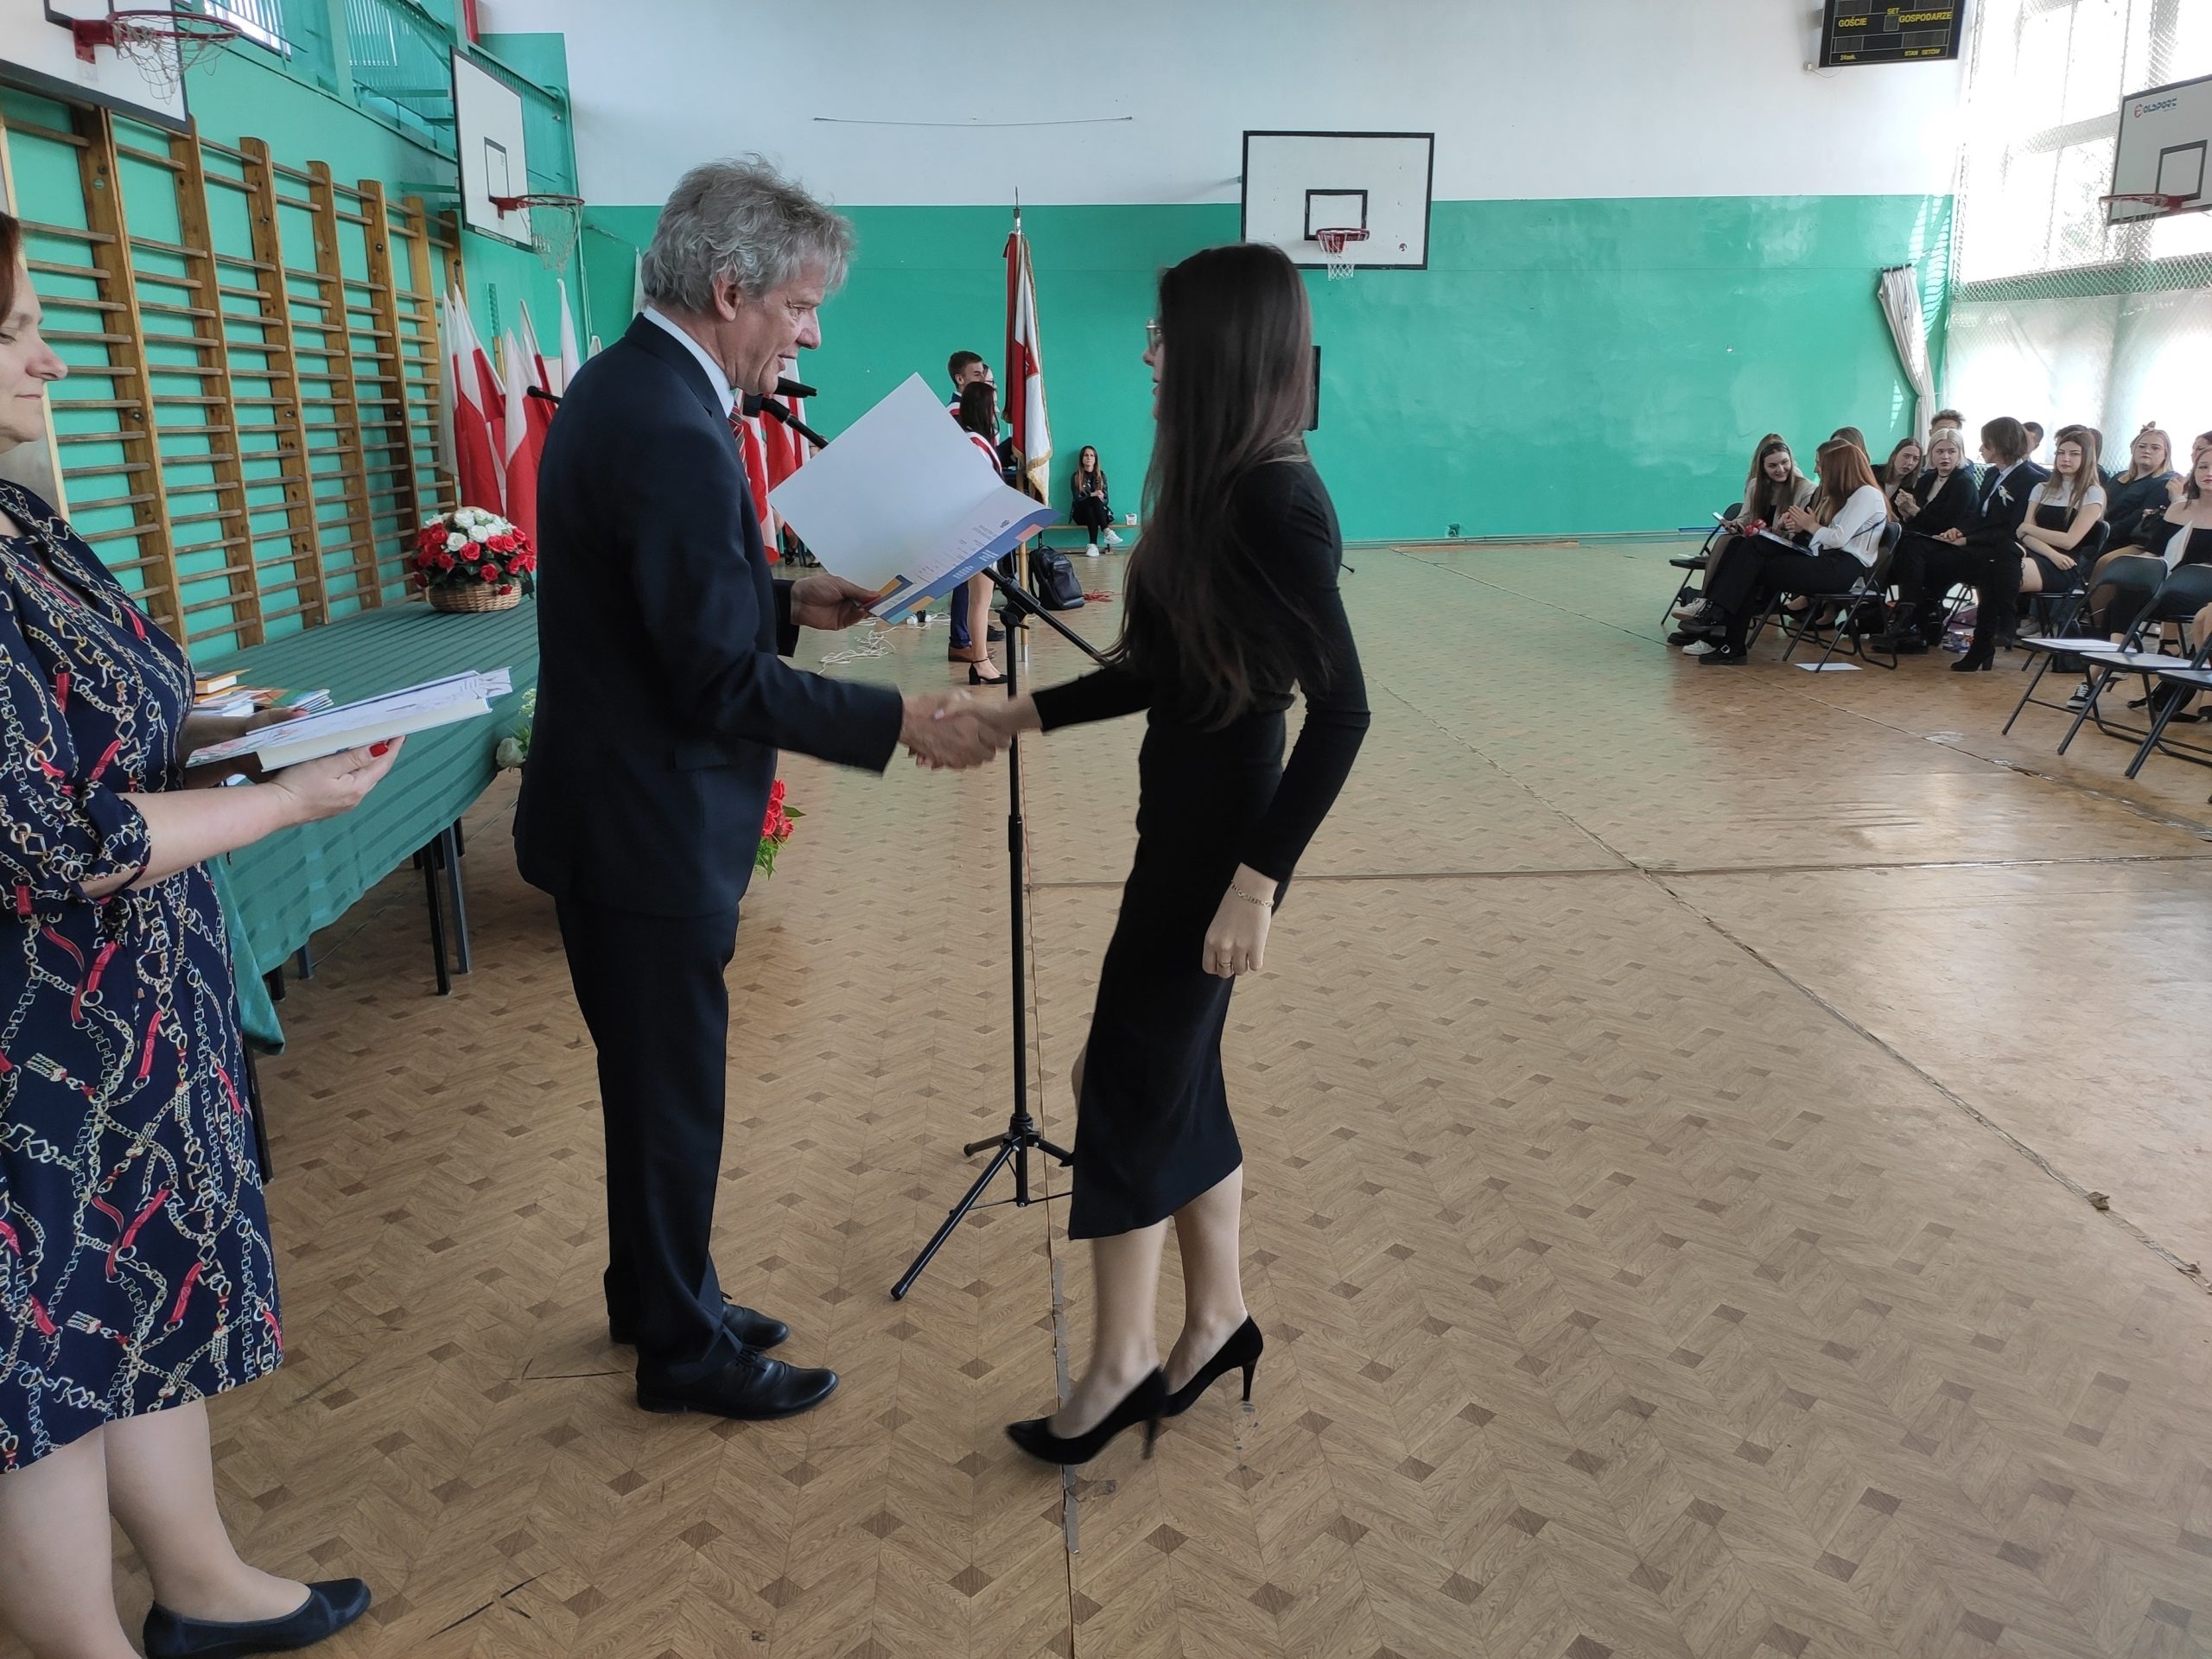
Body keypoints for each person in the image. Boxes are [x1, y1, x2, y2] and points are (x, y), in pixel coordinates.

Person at [513, 159, 1007, 1426]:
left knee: (650, 1090)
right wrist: (900, 717)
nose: (812, 334)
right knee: (673, 1099)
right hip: (649, 831)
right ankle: (683, 1353)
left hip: (615, 816)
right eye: (800, 306)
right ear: (730, 290)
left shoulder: (627, 386)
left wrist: (788, 599)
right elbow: (712, 681)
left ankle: (658, 1295)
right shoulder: (672, 426)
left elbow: (663, 611)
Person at [0, 213, 403, 1659]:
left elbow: (119, 722)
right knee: (43, 1353)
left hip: (131, 1012)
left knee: (142, 1290)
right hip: (31, 1048)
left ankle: (200, 1581)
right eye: (15, 330)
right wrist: (283, 800)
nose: (49, 358)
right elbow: (47, 840)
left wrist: (239, 737)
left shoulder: (23, 522)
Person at [958, 243, 1369, 1466]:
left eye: (1162, 337)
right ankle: (1217, 1320)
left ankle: (1123, 1363)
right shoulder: (1219, 481)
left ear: (1219, 350)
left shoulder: (1280, 499)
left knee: (1124, 1082)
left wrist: (1257, 884)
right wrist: (1016, 716)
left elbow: (1343, 713)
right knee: (1170, 1077)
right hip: (1178, 825)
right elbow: (1160, 670)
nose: (1147, 356)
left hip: (1219, 848)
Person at [1696, 437, 1889, 666]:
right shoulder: (1847, 496)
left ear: (1839, 468)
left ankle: (1720, 621)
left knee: (1750, 565)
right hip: (1824, 559)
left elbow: (1838, 539)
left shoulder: (1867, 494)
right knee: (1745, 545)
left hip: (1840, 569)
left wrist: (1810, 525)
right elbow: (1826, 538)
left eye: (1821, 465)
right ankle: (1720, 621)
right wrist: (1800, 528)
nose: (1816, 470)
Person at [1878, 416, 2048, 671]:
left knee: (1976, 566)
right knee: (1917, 554)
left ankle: (1922, 619)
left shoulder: (2031, 479)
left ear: (2002, 444)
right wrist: (1960, 531)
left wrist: (1966, 538)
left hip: (2002, 548)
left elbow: (2011, 528)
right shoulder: (1991, 474)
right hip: (1982, 545)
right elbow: (1979, 517)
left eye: (1986, 444)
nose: (1980, 449)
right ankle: (1922, 619)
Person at [1669, 435, 1813, 649]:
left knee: (1740, 553)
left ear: (1792, 461)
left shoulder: (1805, 488)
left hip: (1783, 547)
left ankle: (1710, 613)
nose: (1780, 469)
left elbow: (1800, 532)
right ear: (1762, 467)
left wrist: (1779, 529)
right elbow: (1746, 517)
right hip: (1757, 544)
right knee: (1732, 541)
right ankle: (1709, 612)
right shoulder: (1756, 485)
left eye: (1784, 463)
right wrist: (1735, 525)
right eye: (1773, 466)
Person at [941, 352, 1007, 658]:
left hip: (979, 510)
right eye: (978, 374)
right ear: (960, 379)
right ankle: (962, 639)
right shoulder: (956, 413)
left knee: (979, 590)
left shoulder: (972, 419)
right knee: (967, 581)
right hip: (969, 513)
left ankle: (974, 632)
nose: (984, 380)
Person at [952, 380, 1007, 684]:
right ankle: (981, 662)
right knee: (980, 600)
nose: (996, 410)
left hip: (980, 528)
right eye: (993, 404)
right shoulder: (974, 442)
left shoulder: (973, 440)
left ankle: (980, 660)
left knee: (980, 600)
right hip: (979, 531)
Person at [2014, 429, 2107, 604]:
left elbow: (2069, 541)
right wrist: (2051, 554)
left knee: (2007, 573)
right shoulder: (2041, 488)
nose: (2065, 459)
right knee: (1992, 565)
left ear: (2087, 458)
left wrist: (2028, 528)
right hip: (2043, 555)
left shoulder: (2092, 492)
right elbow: (2025, 536)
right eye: (2061, 453)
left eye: (2074, 454)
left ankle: (2004, 621)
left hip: (2066, 564)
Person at [2106, 424, 2178, 544]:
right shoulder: (2119, 476)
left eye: (2155, 448)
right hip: (2100, 531)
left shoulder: (2165, 482)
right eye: (2142, 446)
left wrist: (2098, 534)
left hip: (2126, 541)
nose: (2147, 451)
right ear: (2134, 450)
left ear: (2166, 454)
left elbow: (2136, 520)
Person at [1070, 444, 1121, 554]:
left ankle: (1093, 546)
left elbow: (1106, 500)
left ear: (1095, 459)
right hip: (1080, 514)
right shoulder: (1076, 476)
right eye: (1086, 455)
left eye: (1092, 455)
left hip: (1099, 513)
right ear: (1082, 459)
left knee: (1092, 507)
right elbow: (1078, 499)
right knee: (1092, 502)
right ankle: (1106, 531)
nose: (1089, 458)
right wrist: (1093, 495)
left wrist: (1100, 497)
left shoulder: (1101, 476)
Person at [1879, 438, 1924, 517]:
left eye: (1915, 459)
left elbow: (1912, 521)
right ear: (1894, 455)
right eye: (1906, 456)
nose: (1910, 462)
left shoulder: (1917, 486)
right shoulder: (1873, 472)